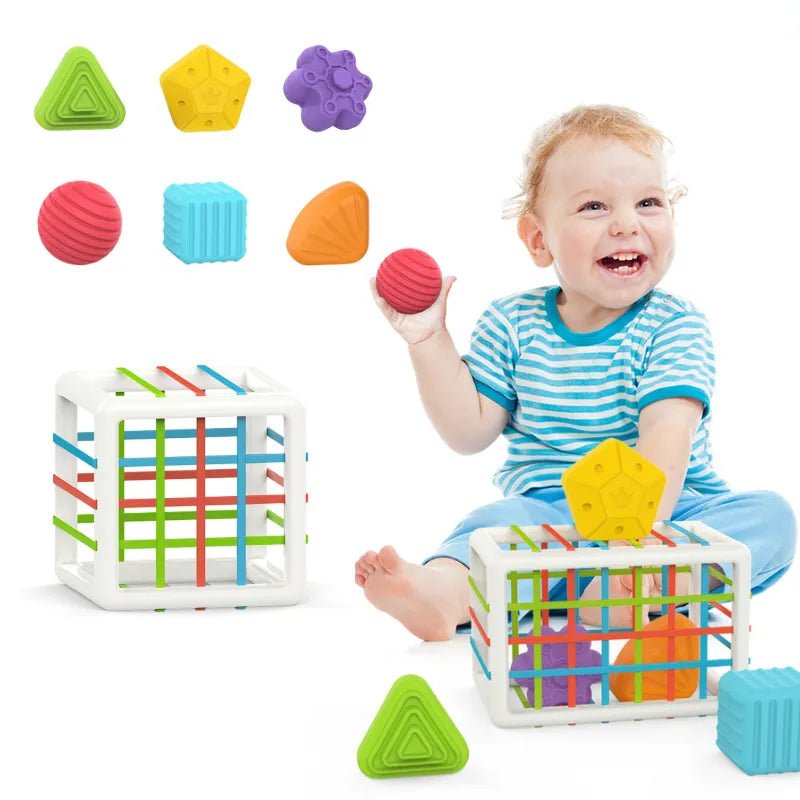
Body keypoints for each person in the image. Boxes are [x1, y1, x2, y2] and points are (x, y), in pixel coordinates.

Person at [355, 105, 796, 641]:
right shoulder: (511, 323)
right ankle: (445, 595)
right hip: (550, 515)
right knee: (491, 525)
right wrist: (428, 339)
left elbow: (667, 435)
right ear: (539, 240)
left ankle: (631, 586)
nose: (626, 223)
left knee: (770, 518)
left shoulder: (674, 325)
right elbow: (467, 432)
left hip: (666, 514)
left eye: (649, 203)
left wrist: (632, 540)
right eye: (594, 206)